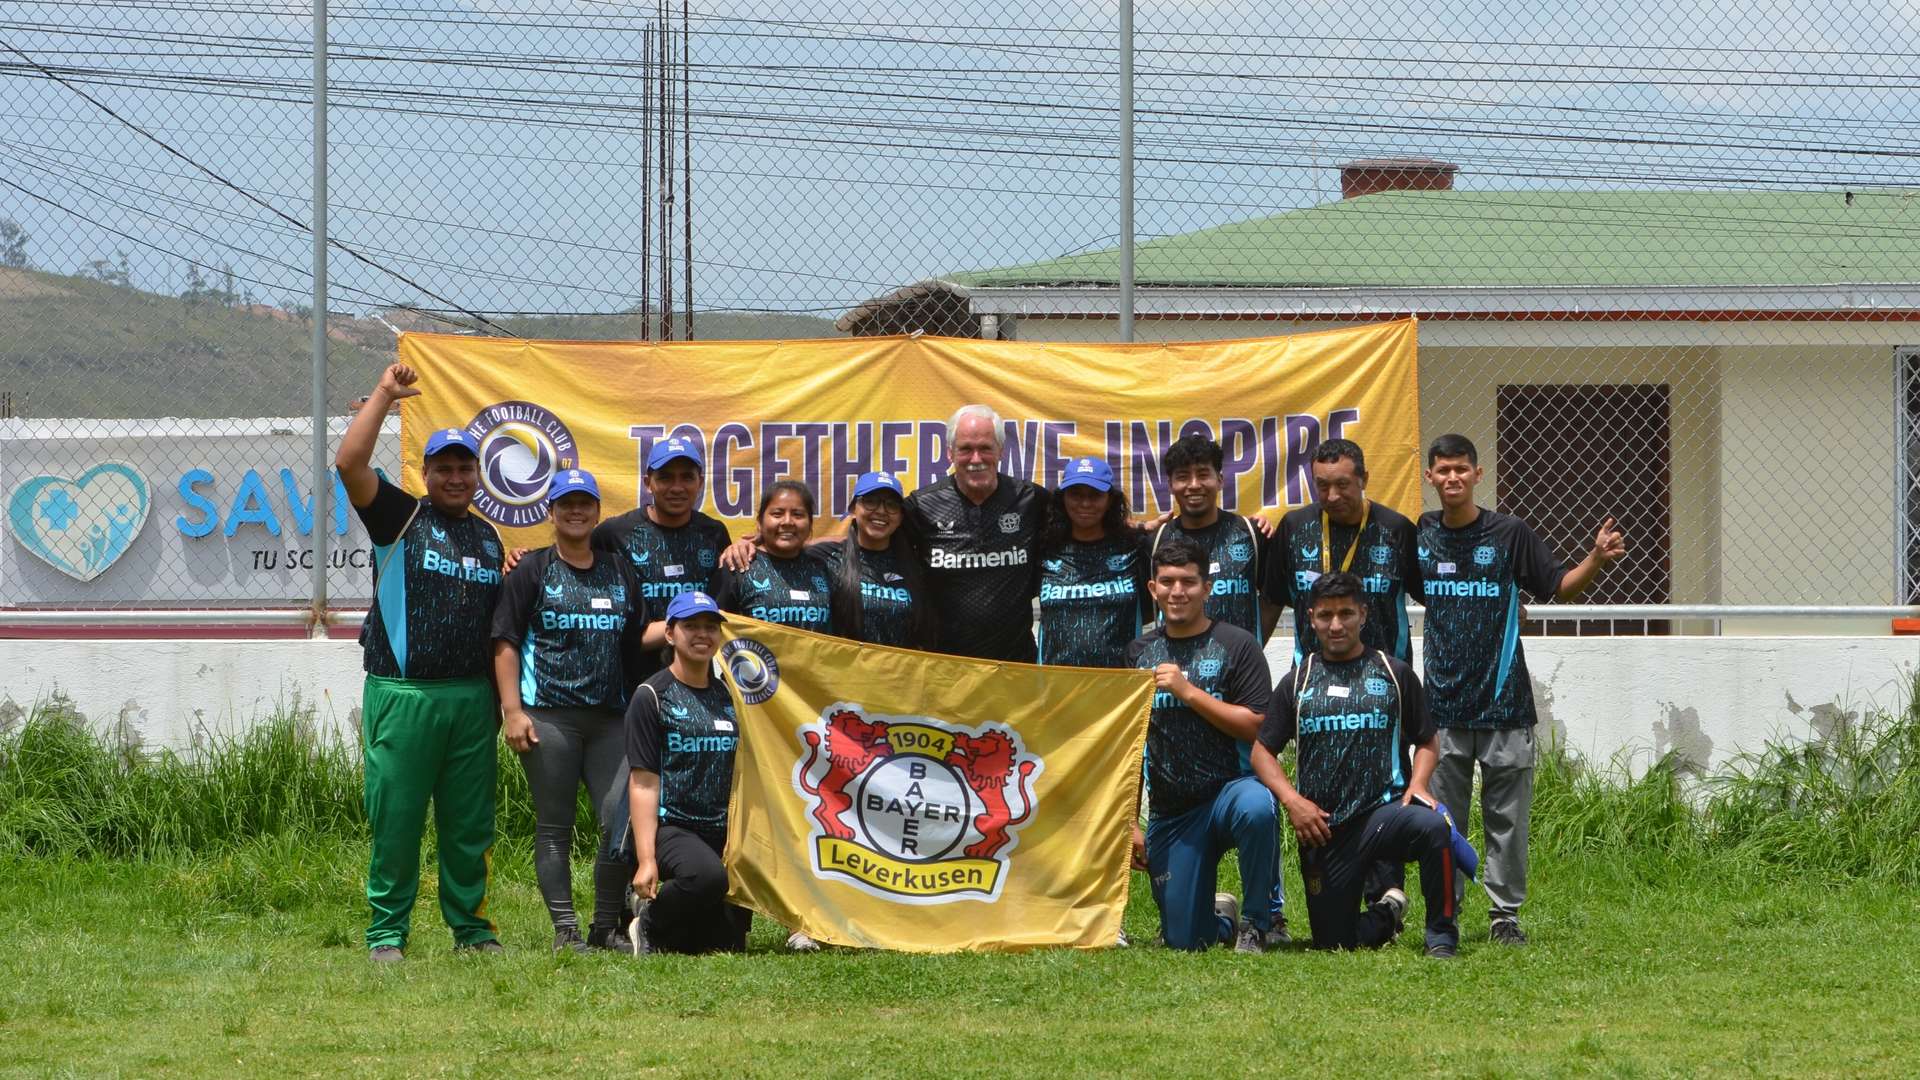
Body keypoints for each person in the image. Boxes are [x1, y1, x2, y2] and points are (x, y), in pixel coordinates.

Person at [1418, 433, 1627, 945]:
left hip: (1505, 703)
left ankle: (1504, 916)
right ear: (1429, 478)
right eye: (1442, 470)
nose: (1452, 478)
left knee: (1506, 821)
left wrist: (1596, 560)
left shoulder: (1509, 533)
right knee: (1441, 821)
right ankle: (1444, 913)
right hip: (1442, 706)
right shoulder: (1421, 535)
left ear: (1477, 474)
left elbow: (1558, 586)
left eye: (1461, 469)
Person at [337, 362, 505, 962]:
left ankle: (473, 931)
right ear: (426, 474)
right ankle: (388, 935)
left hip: (470, 701)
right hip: (403, 696)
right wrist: (383, 393)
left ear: (478, 476)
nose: (456, 478)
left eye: (466, 468)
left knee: (469, 828)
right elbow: (350, 464)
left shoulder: (489, 538)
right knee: (398, 822)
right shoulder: (401, 519)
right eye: (445, 469)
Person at [1251, 572, 1461, 958]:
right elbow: (1262, 753)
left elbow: (1428, 740)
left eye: (1346, 613)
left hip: (1386, 813)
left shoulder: (1394, 673)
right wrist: (1293, 802)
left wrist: (1419, 784)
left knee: (1434, 827)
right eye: (1326, 615)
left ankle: (1442, 935)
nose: (1336, 625)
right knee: (1332, 942)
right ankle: (1387, 914)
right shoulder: (1296, 682)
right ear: (1310, 617)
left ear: (1363, 614)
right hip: (1324, 827)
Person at [490, 468, 646, 954]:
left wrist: (700, 631)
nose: (576, 511)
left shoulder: (620, 569)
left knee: (618, 820)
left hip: (609, 719)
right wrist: (512, 711)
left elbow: (639, 638)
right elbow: (505, 642)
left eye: (585, 503)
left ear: (597, 512)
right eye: (566, 503)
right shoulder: (532, 569)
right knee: (555, 825)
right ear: (550, 512)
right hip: (549, 717)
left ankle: (604, 927)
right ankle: (565, 931)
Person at [1126, 538, 1281, 953]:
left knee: (1256, 807)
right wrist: (1130, 822)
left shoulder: (1237, 644)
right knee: (1184, 941)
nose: (1178, 591)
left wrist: (1189, 692)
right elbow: (1129, 747)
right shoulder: (1137, 654)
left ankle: (1257, 923)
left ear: (1207, 589)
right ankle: (1222, 921)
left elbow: (1256, 726)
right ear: (1152, 589)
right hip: (1173, 811)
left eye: (1189, 582)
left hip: (1229, 792)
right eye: (1168, 582)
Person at [624, 591, 753, 955]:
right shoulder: (651, 695)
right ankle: (647, 920)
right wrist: (647, 858)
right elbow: (644, 781)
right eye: (691, 626)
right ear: (669, 635)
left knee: (721, 943)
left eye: (710, 627)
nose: (702, 634)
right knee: (707, 878)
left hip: (723, 829)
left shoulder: (732, 695)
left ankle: (674, 921)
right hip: (673, 825)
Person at [903, 404, 1050, 661]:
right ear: (949, 453)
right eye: (965, 449)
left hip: (1015, 665)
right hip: (944, 666)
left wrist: (1141, 527)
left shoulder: (1032, 500)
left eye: (985, 448)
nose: (976, 459)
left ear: (1001, 451)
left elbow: (1085, 524)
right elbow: (870, 539)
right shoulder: (921, 505)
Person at [592, 435, 734, 686]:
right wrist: (523, 556)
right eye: (666, 477)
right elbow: (572, 562)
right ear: (648, 483)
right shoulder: (614, 534)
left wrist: (749, 546)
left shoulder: (714, 533)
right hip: (629, 683)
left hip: (698, 681)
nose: (677, 487)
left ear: (700, 482)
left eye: (687, 477)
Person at [1265, 439, 1419, 663]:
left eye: (1342, 484)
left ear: (1363, 479)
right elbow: (1271, 602)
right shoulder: (1293, 528)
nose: (1332, 496)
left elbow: (1434, 596)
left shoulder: (1397, 530)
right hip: (1311, 679)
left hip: (1385, 678)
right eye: (1323, 486)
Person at [1151, 433, 1282, 642]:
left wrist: (1251, 648)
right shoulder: (1156, 540)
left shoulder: (1252, 534)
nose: (1194, 485)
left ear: (1219, 480)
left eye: (1203, 474)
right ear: (1170, 485)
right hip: (1175, 668)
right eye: (1183, 476)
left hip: (1240, 669)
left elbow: (1273, 599)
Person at [1038, 457, 1150, 669]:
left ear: (1110, 500)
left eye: (1095, 495)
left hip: (1120, 688)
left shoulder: (1134, 548)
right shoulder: (1045, 549)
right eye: (1076, 495)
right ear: (1062, 499)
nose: (1085, 503)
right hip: (1057, 688)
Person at [822, 471, 937, 649]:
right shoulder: (828, 558)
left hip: (902, 674)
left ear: (900, 518)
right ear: (853, 508)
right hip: (846, 675)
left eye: (891, 505)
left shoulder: (916, 565)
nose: (881, 511)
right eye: (871, 501)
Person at [708, 480, 834, 635]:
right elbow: (713, 627)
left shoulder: (824, 568)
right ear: (760, 523)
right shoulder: (738, 566)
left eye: (798, 514)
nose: (787, 522)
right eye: (777, 514)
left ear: (810, 524)